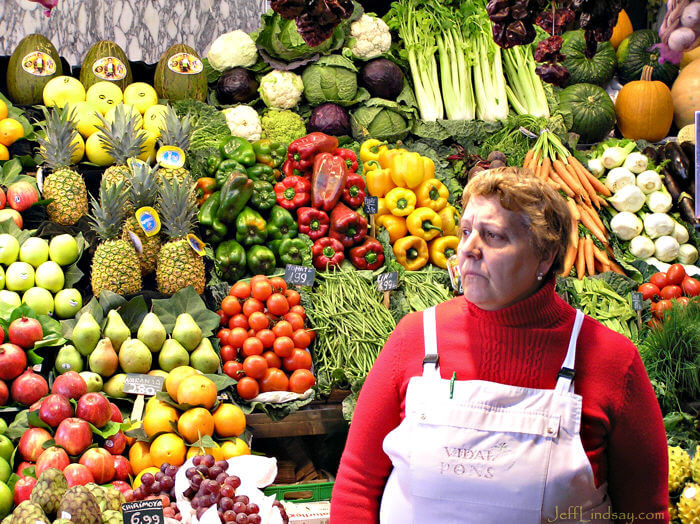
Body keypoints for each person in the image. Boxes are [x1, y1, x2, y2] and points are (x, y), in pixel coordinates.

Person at [330, 167, 668, 523]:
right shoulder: (415, 337)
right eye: (465, 231)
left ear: (545, 256)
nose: (468, 249)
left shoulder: (609, 359)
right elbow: (357, 484)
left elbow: (644, 510)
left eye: (493, 236)